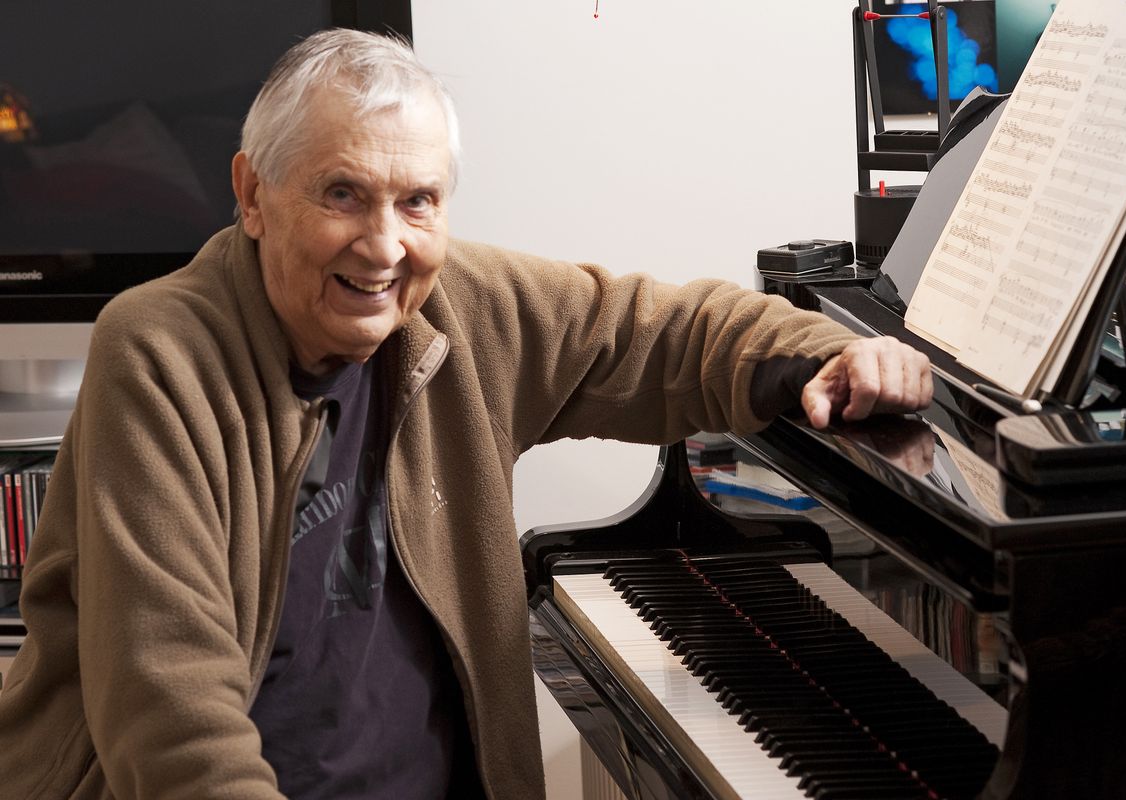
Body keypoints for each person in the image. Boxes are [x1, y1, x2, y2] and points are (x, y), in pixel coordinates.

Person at [0, 29, 932, 800]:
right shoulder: (157, 352)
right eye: (342, 194)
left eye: (418, 202)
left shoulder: (463, 307)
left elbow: (666, 331)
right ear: (253, 195)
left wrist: (831, 351)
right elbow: (171, 719)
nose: (384, 246)